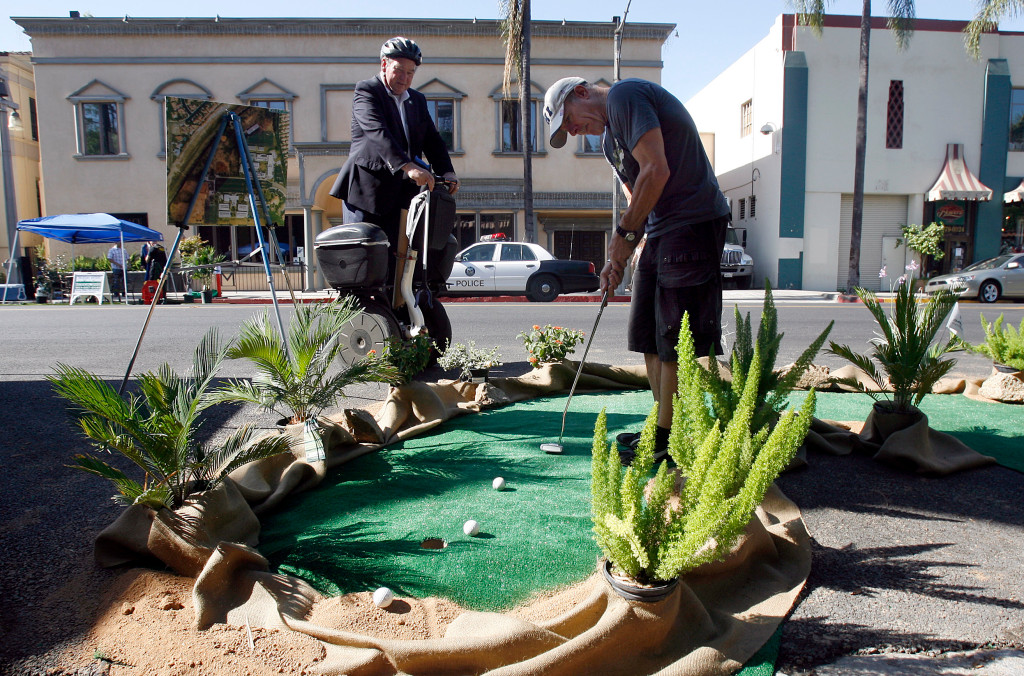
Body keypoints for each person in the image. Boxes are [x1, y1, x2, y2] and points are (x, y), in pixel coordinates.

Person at [543, 76, 731, 464]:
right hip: (661, 228)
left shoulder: (625, 97)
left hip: (692, 221)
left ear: (581, 93)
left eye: (569, 120)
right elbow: (638, 197)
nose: (573, 130)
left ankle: (671, 441)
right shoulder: (609, 141)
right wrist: (619, 258)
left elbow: (656, 170)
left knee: (673, 339)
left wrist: (624, 234)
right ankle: (662, 428)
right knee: (647, 333)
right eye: (565, 130)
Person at [329, 36, 459, 283]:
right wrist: (408, 165)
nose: (405, 78)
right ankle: (363, 313)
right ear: (384, 65)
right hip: (366, 194)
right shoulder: (367, 91)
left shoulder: (417, 100)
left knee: (402, 260)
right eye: (399, 70)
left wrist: (447, 171)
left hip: (401, 194)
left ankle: (402, 311)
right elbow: (378, 133)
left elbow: (432, 139)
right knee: (367, 265)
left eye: (411, 73)